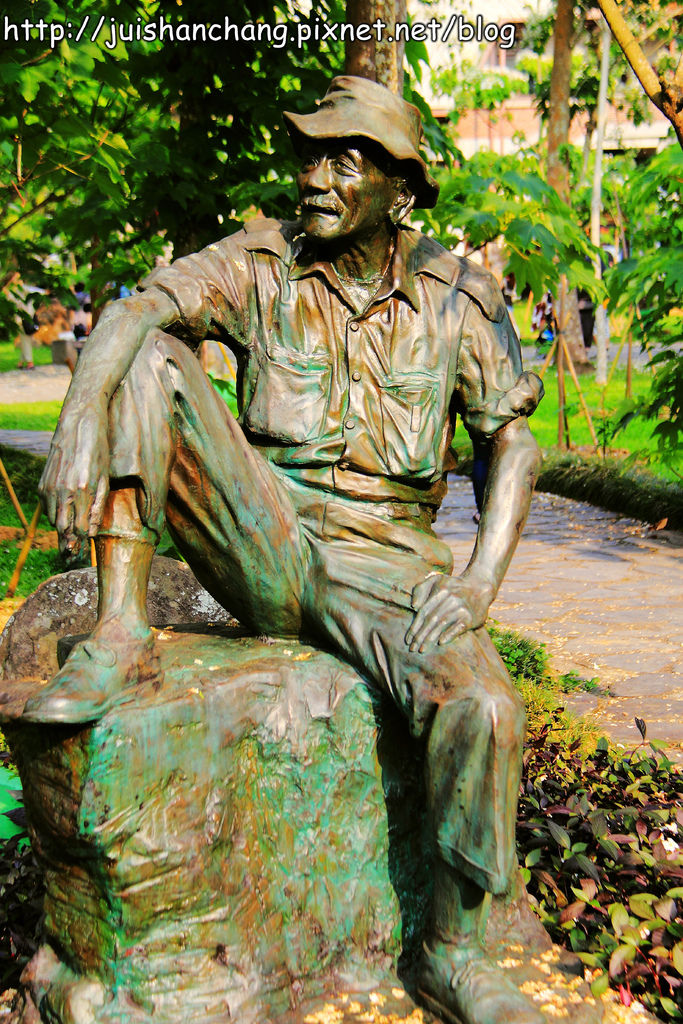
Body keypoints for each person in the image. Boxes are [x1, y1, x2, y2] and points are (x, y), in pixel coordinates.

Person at [26, 77, 545, 1024]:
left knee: (482, 706)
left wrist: (477, 583)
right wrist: (78, 417)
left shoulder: (459, 298)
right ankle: (119, 631)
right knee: (148, 356)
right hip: (263, 532)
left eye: (343, 160)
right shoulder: (263, 261)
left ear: (400, 189)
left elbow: (509, 443)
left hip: (386, 560)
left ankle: (453, 954)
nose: (314, 177)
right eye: (309, 156)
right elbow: (140, 310)